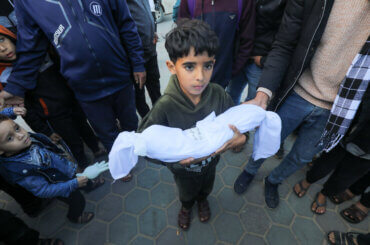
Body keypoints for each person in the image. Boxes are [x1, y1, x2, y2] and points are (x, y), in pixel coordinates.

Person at [234, 0, 369, 209]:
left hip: (338, 110)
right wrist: (263, 93)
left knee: (302, 156)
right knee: (266, 141)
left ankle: (273, 181)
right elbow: (284, 44)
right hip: (295, 91)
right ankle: (250, 170)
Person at [138, 19, 246, 230]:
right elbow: (143, 145)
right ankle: (186, 208)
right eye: (189, 66)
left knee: (206, 187)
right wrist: (174, 161)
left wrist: (241, 139)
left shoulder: (218, 94)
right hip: (184, 171)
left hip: (211, 165)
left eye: (208, 65)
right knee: (187, 193)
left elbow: (238, 122)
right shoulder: (164, 107)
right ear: (171, 66)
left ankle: (203, 200)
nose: (200, 77)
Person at [0, 0, 146, 154]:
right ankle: (122, 162)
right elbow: (31, 46)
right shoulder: (27, 2)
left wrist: (138, 63)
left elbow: (125, 23)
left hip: (120, 74)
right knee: (106, 131)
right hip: (84, 87)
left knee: (130, 122)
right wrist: (15, 87)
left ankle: (135, 152)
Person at [0, 24, 105, 169]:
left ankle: (96, 147)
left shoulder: (36, 51)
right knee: (72, 142)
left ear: (10, 35)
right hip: (54, 114)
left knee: (84, 125)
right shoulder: (6, 77)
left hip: (73, 100)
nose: (2, 48)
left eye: (1, 39)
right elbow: (25, 109)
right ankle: (85, 170)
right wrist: (45, 131)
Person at [0, 115, 103, 224]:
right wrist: (74, 184)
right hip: (61, 186)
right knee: (78, 200)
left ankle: (89, 185)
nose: (20, 135)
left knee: (82, 179)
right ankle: (75, 216)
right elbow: (44, 191)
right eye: (10, 138)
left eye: (17, 128)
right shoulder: (21, 170)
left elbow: (5, 115)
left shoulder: (25, 142)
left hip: (66, 171)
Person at [292, 84, 369, 216]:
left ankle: (324, 193)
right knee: (326, 160)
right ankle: (308, 180)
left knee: (346, 177)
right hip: (352, 128)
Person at [178, 0, 255, 88]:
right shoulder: (189, 2)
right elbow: (181, 41)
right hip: (194, 81)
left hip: (224, 80)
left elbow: (247, 39)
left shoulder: (243, 2)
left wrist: (231, 72)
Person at [226, 0, 287, 105]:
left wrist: (265, 61)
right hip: (241, 54)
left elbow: (288, 36)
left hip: (259, 59)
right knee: (229, 96)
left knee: (253, 103)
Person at [127, 0, 161, 118]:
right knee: (139, 94)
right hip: (136, 56)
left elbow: (145, 13)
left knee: (155, 89)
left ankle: (161, 117)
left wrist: (152, 31)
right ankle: (149, 121)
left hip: (150, 50)